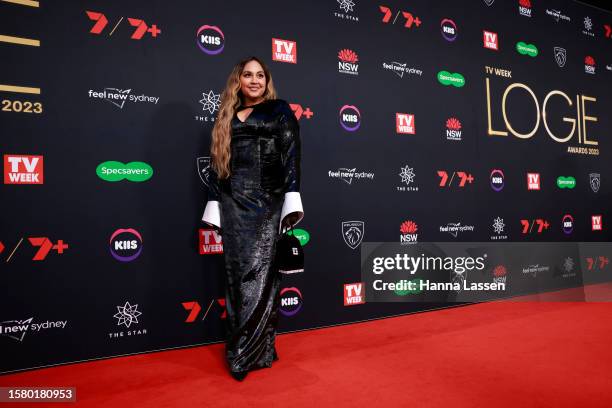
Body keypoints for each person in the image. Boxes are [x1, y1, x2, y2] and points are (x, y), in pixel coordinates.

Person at [201, 56, 304, 381]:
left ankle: (248, 353)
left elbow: (291, 156)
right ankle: (246, 348)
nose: (255, 80)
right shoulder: (227, 116)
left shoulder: (279, 110)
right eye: (248, 74)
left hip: (267, 203)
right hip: (233, 203)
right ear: (239, 80)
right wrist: (216, 202)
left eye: (260, 75)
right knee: (236, 278)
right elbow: (219, 165)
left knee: (259, 278)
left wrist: (290, 200)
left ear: (266, 81)